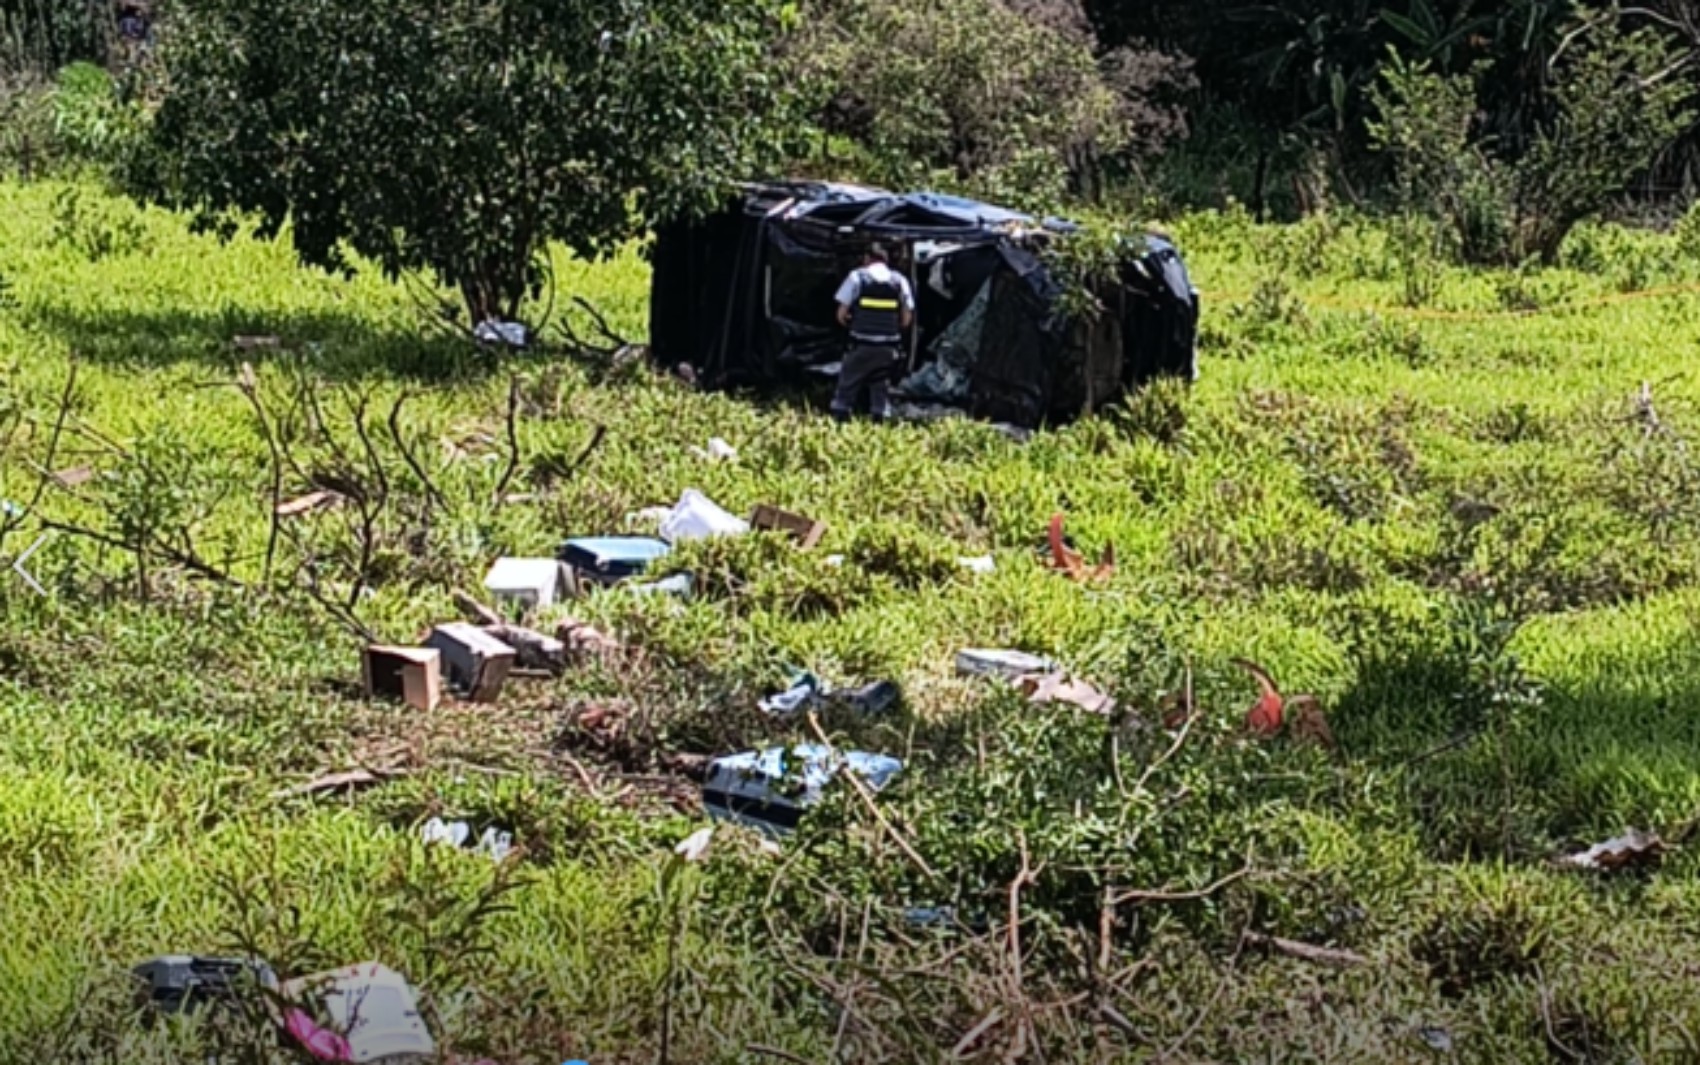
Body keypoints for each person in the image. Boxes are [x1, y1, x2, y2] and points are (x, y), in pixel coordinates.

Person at [831, 243, 914, 423]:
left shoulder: (856, 277)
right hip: (888, 347)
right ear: (886, 260)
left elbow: (841, 315)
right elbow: (907, 319)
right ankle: (880, 418)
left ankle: (841, 416)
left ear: (867, 259)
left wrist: (852, 322)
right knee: (880, 384)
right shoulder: (899, 281)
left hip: (861, 343)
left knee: (848, 382)